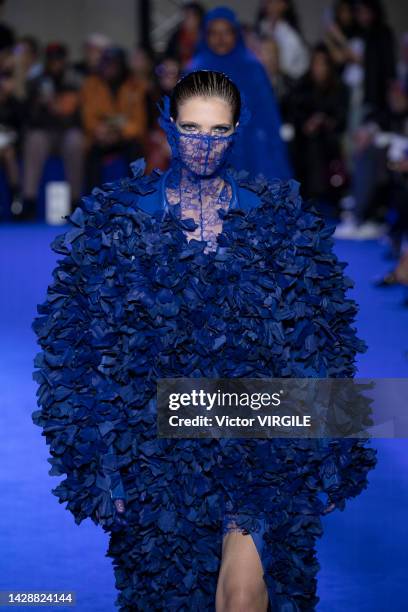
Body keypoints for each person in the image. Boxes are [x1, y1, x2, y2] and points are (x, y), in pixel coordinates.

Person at [32, 70, 377, 611]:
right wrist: (95, 461)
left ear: (236, 131)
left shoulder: (278, 219)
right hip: (158, 452)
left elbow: (326, 336)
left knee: (243, 594)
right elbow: (70, 347)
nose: (202, 145)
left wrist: (335, 449)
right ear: (168, 124)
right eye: (190, 128)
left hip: (260, 433)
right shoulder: (119, 219)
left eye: (217, 132)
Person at [187, 6, 292, 181]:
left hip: (251, 151)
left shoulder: (252, 67)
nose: (221, 39)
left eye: (226, 32)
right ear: (206, 35)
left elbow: (268, 116)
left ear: (236, 34)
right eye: (214, 32)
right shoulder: (196, 68)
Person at [20, 42, 84, 220]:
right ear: (47, 61)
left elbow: (74, 113)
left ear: (64, 60)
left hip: (67, 132)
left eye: (59, 59)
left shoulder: (75, 80)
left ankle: (75, 201)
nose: (56, 63)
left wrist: (56, 106)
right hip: (45, 132)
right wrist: (44, 105)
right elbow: (31, 117)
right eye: (52, 60)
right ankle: (29, 200)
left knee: (76, 140)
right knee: (34, 139)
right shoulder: (36, 81)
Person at [80, 46, 148, 192]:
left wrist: (119, 131)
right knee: (91, 152)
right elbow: (88, 117)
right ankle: (93, 203)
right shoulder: (92, 84)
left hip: (125, 136)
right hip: (101, 136)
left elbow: (139, 124)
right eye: (106, 63)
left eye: (114, 64)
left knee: (136, 150)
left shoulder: (135, 86)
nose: (109, 68)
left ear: (122, 65)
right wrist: (100, 130)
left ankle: (139, 199)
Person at [256, 0, 309, 81]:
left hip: (290, 82)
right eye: (268, 1)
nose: (270, 4)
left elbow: (282, 68)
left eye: (275, 1)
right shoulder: (262, 26)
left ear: (285, 5)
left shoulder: (291, 36)